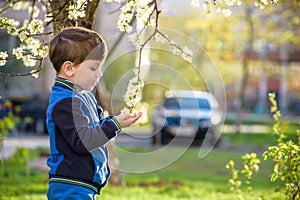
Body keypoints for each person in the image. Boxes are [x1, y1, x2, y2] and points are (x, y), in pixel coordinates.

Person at [46, 27, 142, 200]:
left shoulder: (83, 96)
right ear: (69, 68)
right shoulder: (65, 103)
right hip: (70, 186)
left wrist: (117, 121)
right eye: (93, 68)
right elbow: (84, 141)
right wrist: (115, 124)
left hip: (81, 186)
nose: (99, 74)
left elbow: (97, 126)